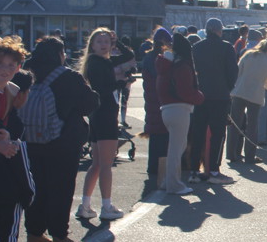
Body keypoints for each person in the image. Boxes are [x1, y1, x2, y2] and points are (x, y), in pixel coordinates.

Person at [21, 37, 98, 242]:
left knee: (37, 188)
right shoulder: (68, 77)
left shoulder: (26, 74)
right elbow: (89, 104)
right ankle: (59, 237)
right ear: (59, 54)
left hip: (30, 140)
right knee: (61, 189)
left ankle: (34, 235)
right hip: (62, 141)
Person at [77, 28, 134, 221]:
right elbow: (102, 88)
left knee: (97, 163)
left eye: (107, 42)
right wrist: (121, 83)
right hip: (105, 114)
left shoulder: (101, 61)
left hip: (98, 114)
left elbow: (129, 56)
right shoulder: (97, 63)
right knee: (106, 164)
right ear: (92, 45)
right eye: (99, 41)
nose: (103, 44)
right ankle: (106, 206)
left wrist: (117, 42)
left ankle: (85, 205)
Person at [0, 35, 36, 242]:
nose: (6, 69)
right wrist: (1, 145)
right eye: (0, 63)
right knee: (9, 218)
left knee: (9, 218)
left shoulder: (9, 91)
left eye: (11, 65)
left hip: (4, 165)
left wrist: (8, 141)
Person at [188, 18, 238, 185]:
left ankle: (194, 170)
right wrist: (227, 87)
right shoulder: (226, 47)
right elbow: (233, 72)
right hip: (220, 96)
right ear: (219, 30)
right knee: (218, 134)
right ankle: (214, 170)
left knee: (198, 133)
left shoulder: (197, 47)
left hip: (201, 94)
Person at [157, 34, 205, 194]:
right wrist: (199, 97)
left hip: (167, 109)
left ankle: (168, 181)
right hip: (179, 109)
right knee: (176, 150)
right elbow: (185, 91)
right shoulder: (182, 66)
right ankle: (174, 185)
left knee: (176, 148)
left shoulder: (166, 64)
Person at [228, 39, 267, 164]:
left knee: (235, 124)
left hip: (239, 92)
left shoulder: (247, 55)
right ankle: (250, 156)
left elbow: (238, 72)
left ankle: (232, 153)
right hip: (255, 95)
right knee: (252, 126)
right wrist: (265, 85)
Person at [141, 27, 172, 177]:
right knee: (162, 136)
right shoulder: (161, 59)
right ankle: (159, 169)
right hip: (160, 100)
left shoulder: (148, 57)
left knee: (155, 134)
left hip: (151, 100)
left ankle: (153, 168)